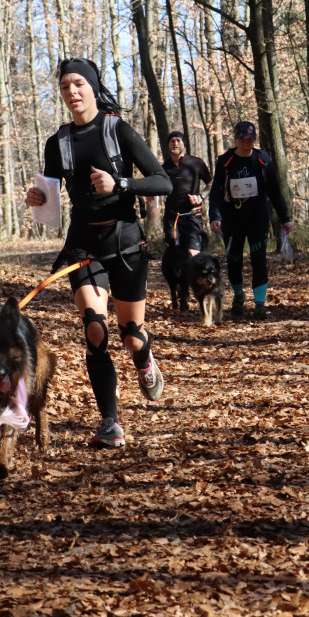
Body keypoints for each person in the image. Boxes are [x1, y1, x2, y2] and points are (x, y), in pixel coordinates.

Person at [25, 58, 172, 449]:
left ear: (92, 87)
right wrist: (37, 199)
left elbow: (163, 182)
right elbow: (50, 204)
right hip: (83, 247)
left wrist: (121, 183)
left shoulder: (117, 129)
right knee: (94, 329)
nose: (72, 92)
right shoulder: (57, 142)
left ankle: (145, 361)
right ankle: (110, 421)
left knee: (131, 336)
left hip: (125, 245)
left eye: (78, 84)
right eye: (65, 87)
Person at [208, 121, 293, 320]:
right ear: (235, 140)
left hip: (257, 219)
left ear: (254, 140)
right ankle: (239, 296)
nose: (247, 143)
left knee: (259, 261)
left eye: (250, 139)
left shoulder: (263, 160)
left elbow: (275, 191)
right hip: (232, 220)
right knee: (234, 261)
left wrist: (285, 219)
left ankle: (260, 304)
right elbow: (216, 192)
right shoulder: (225, 161)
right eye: (242, 139)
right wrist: (215, 216)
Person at [162, 131, 212, 259]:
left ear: (184, 143)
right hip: (172, 217)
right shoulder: (163, 168)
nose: (175, 143)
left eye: (178, 140)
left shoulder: (196, 163)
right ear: (168, 145)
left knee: (193, 254)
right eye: (172, 141)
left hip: (192, 215)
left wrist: (201, 197)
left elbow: (211, 184)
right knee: (175, 254)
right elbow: (157, 187)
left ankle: (192, 278)